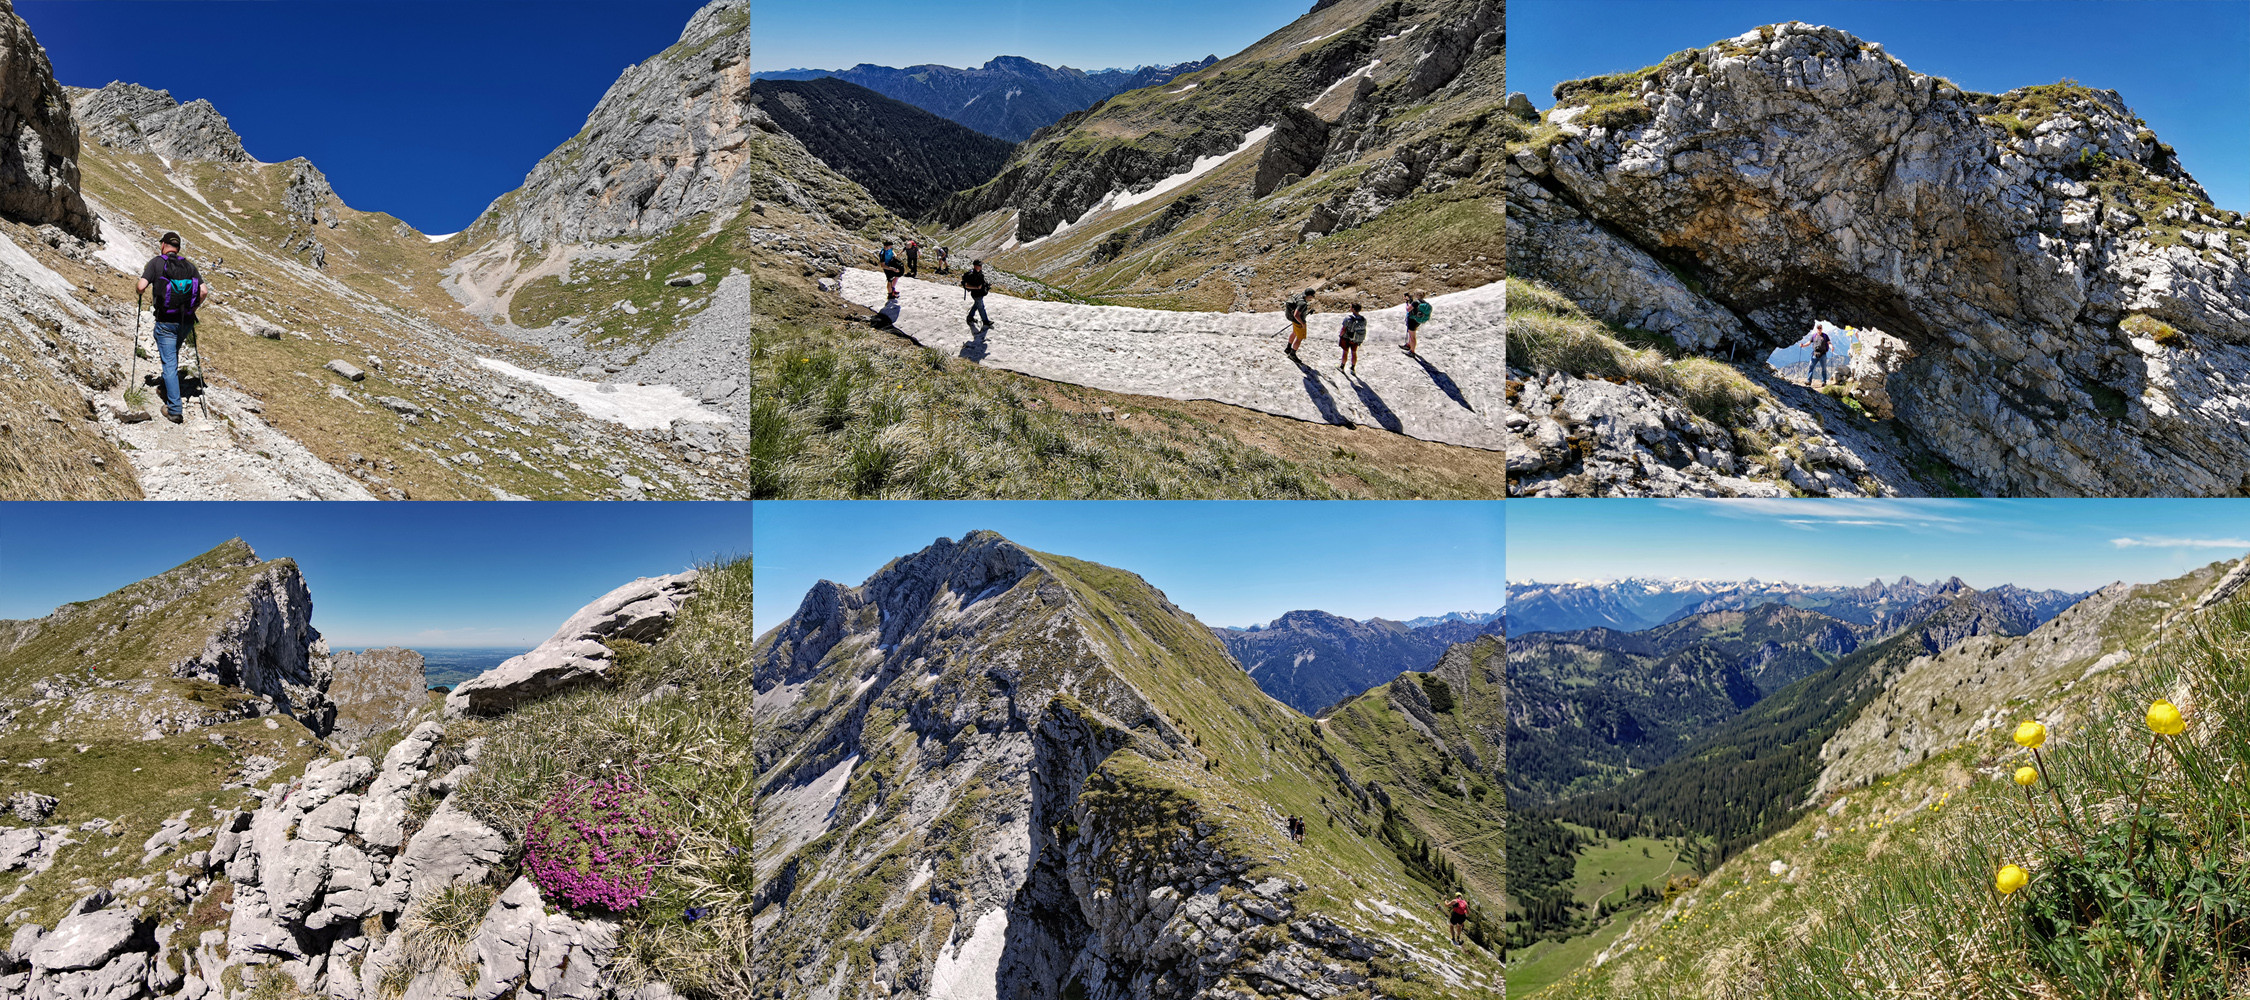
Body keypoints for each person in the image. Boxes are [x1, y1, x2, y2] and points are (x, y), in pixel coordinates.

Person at [136, 231, 205, 424]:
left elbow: (141, 287)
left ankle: (174, 410)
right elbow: (204, 291)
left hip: (166, 321)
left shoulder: (157, 263)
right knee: (172, 356)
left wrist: (138, 290)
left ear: (163, 245)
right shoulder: (189, 266)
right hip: (185, 321)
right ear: (179, 248)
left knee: (169, 364)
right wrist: (193, 308)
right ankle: (167, 387)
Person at [1799, 321, 1834, 386]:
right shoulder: (1814, 336)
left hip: (1823, 354)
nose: (1819, 329)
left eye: (1820, 328)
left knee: (1823, 368)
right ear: (1816, 329)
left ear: (1822, 329)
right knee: (1810, 367)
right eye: (1818, 328)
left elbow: (1829, 343)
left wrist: (1831, 347)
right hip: (1815, 354)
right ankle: (1808, 381)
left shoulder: (1825, 336)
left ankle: (1824, 382)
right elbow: (1809, 342)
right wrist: (1803, 345)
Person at [1283, 287, 1315, 357]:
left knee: (1294, 333)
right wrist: (1302, 323)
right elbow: (1296, 315)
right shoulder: (1302, 303)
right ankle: (1292, 354)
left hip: (1294, 320)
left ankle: (1288, 348)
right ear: (1309, 295)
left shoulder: (1298, 296)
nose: (1312, 298)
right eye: (1312, 296)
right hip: (1298, 322)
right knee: (1299, 338)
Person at [1339, 303, 1367, 374]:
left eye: (1351, 307)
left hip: (1346, 338)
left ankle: (1342, 367)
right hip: (1356, 339)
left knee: (1345, 352)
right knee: (1354, 353)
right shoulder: (1363, 319)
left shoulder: (1348, 318)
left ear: (1353, 309)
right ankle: (1353, 368)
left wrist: (1340, 335)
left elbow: (1344, 329)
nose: (1350, 308)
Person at [962, 260, 992, 327]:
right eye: (979, 265)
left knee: (976, 305)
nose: (981, 267)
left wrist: (987, 285)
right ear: (975, 266)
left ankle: (970, 317)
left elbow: (982, 281)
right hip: (976, 294)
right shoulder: (971, 275)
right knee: (981, 308)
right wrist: (976, 287)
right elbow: (967, 285)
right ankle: (985, 321)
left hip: (980, 293)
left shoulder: (979, 273)